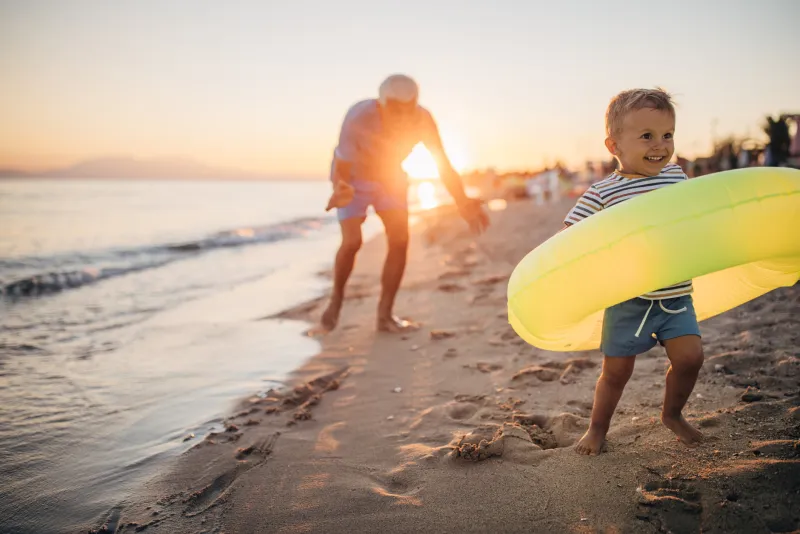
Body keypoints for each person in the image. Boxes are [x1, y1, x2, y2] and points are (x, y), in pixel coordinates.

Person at [562, 88, 705, 455]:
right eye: (647, 136)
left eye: (667, 135)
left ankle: (672, 414)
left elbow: (699, 220)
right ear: (614, 146)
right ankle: (597, 428)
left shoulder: (676, 178)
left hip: (674, 294)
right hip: (628, 299)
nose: (660, 145)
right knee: (616, 372)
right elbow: (571, 236)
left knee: (690, 359)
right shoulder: (603, 193)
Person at [318, 74, 489, 334]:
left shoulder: (423, 119)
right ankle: (336, 299)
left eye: (408, 111)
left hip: (390, 176)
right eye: (395, 111)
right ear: (381, 104)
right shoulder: (359, 116)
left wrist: (462, 201)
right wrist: (340, 187)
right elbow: (342, 165)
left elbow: (442, 164)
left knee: (399, 240)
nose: (402, 118)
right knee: (352, 242)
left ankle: (385, 316)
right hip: (353, 178)